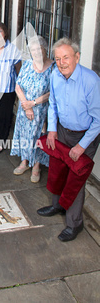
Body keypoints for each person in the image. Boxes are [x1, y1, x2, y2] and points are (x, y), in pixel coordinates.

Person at [37, 38, 100, 242]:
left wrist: (82, 146)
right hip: (62, 130)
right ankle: (58, 205)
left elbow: (99, 119)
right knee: (57, 168)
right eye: (57, 59)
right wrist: (53, 130)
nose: (62, 62)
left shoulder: (91, 80)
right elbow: (53, 103)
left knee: (75, 179)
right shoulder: (55, 75)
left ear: (77, 57)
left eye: (66, 57)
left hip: (85, 135)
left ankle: (75, 224)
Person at [10, 36, 54, 183]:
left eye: (38, 49)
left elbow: (52, 92)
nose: (35, 52)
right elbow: (18, 85)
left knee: (37, 137)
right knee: (24, 135)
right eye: (32, 49)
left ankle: (36, 166)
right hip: (24, 109)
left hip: (41, 110)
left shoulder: (53, 68)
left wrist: (33, 104)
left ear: (45, 49)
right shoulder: (27, 64)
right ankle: (24, 161)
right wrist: (25, 104)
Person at [0, 22, 21, 154]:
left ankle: (2, 141)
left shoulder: (13, 50)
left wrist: (20, 92)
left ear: (5, 33)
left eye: (0, 31)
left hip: (7, 91)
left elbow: (19, 72)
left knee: (4, 117)